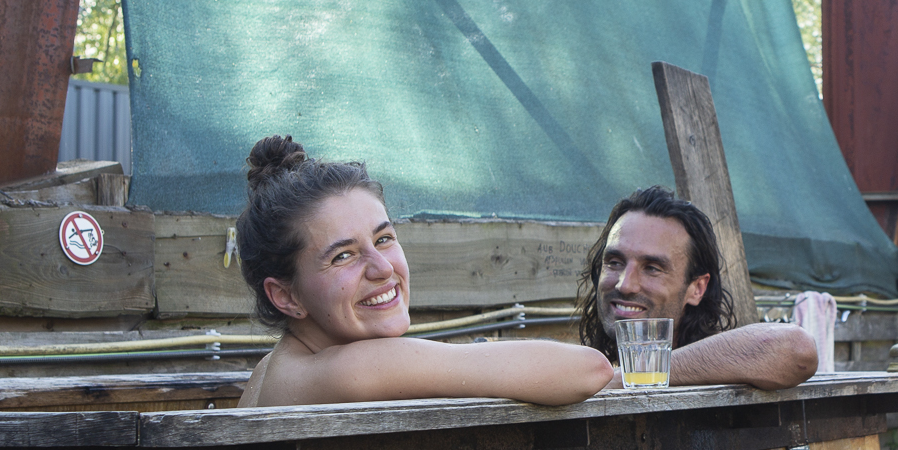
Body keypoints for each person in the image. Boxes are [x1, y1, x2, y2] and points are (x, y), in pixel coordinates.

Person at [235, 137, 614, 407]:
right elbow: (590, 369)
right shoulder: (351, 369)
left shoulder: (270, 370)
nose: (383, 269)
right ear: (286, 296)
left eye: (384, 239)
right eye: (343, 256)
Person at [577, 186, 817, 390]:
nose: (625, 284)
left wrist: (631, 377)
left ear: (697, 289)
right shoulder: (587, 371)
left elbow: (798, 350)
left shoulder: (721, 368)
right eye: (615, 262)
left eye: (652, 268)